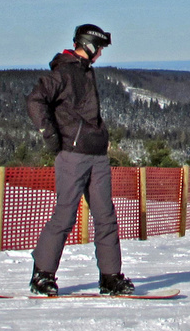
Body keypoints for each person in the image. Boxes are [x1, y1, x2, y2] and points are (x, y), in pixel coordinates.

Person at [25, 24, 133, 297]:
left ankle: (110, 278)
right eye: (99, 50)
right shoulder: (62, 72)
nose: (100, 56)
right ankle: (42, 276)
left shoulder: (87, 72)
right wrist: (52, 138)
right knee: (65, 215)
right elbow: (35, 101)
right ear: (89, 45)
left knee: (106, 217)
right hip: (72, 156)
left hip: (97, 156)